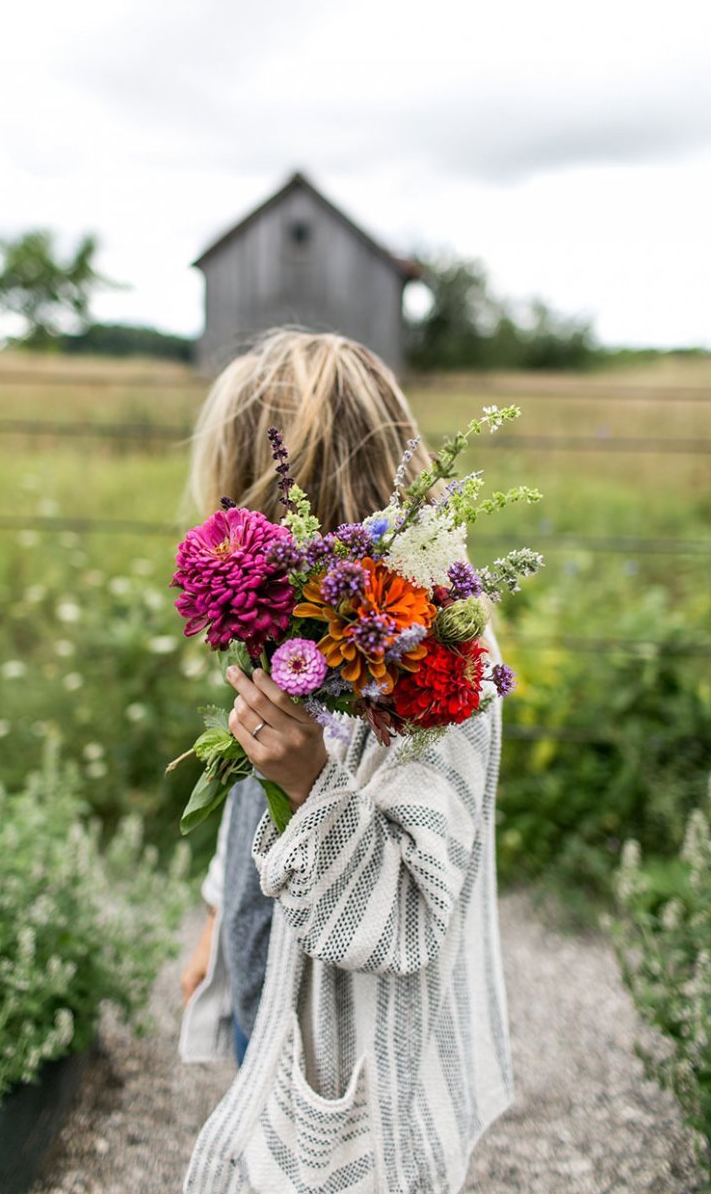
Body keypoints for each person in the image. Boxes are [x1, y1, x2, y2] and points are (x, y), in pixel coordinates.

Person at [177, 328, 514, 1193]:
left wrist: (307, 777)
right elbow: (257, 801)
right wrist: (220, 918)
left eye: (228, 484)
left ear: (284, 484)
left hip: (350, 1041)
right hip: (267, 980)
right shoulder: (290, 621)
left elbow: (407, 910)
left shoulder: (437, 651)